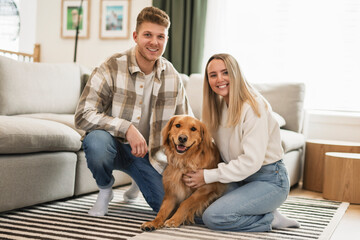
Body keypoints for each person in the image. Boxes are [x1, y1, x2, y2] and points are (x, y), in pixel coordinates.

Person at [75, 6, 192, 217]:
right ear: (136, 36)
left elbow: (188, 123)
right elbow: (83, 114)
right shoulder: (111, 66)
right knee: (95, 142)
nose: (154, 42)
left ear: (166, 39)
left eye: (160, 36)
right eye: (148, 35)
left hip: (150, 156)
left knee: (169, 210)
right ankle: (105, 190)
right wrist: (126, 127)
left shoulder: (172, 77)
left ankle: (138, 181)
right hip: (113, 145)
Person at [182, 53, 300, 232]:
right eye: (213, 75)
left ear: (235, 74)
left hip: (269, 180)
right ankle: (255, 210)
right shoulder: (216, 107)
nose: (219, 79)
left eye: (225, 72)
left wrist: (207, 176)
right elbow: (203, 144)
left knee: (214, 217)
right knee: (194, 210)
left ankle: (269, 218)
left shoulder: (253, 107)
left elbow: (251, 162)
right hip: (237, 178)